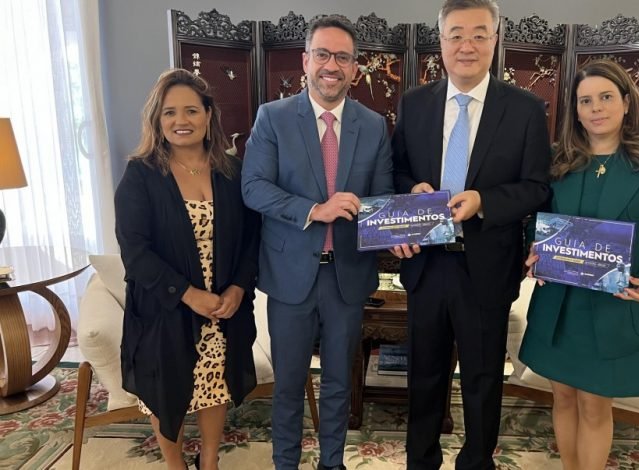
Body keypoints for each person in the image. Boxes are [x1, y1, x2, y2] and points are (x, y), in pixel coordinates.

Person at [391, 0, 551, 468]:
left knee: (483, 379)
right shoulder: (414, 103)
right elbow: (396, 170)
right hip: (426, 263)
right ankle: (421, 461)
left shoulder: (524, 109)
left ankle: (477, 461)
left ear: (495, 40)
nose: (467, 45)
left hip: (487, 265)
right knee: (424, 376)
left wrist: (484, 201)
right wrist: (411, 190)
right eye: (456, 34)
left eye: (479, 34)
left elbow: (537, 187)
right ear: (440, 42)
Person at [520, 58, 639, 470]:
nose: (596, 108)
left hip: (614, 309)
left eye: (606, 97)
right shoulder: (557, 160)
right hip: (558, 306)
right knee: (563, 398)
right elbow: (538, 222)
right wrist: (534, 250)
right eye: (585, 101)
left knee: (595, 406)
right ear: (576, 110)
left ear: (626, 102)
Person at [241, 15, 393, 470]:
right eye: (323, 54)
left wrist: (399, 229)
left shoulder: (374, 125)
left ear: (355, 68)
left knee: (339, 383)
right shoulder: (273, 117)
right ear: (305, 60)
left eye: (342, 57)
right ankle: (285, 463)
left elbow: (382, 198)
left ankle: (333, 462)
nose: (332, 65)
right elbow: (253, 187)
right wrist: (314, 210)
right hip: (290, 276)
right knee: (288, 384)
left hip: (347, 276)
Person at [114, 68, 260, 470]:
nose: (181, 120)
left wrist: (238, 288)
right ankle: (175, 464)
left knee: (214, 384)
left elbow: (253, 238)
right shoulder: (141, 175)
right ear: (157, 120)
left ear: (208, 115)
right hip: (164, 308)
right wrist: (188, 295)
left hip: (222, 308)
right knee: (168, 391)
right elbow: (135, 252)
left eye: (191, 110)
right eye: (170, 112)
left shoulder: (232, 172)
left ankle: (209, 461)